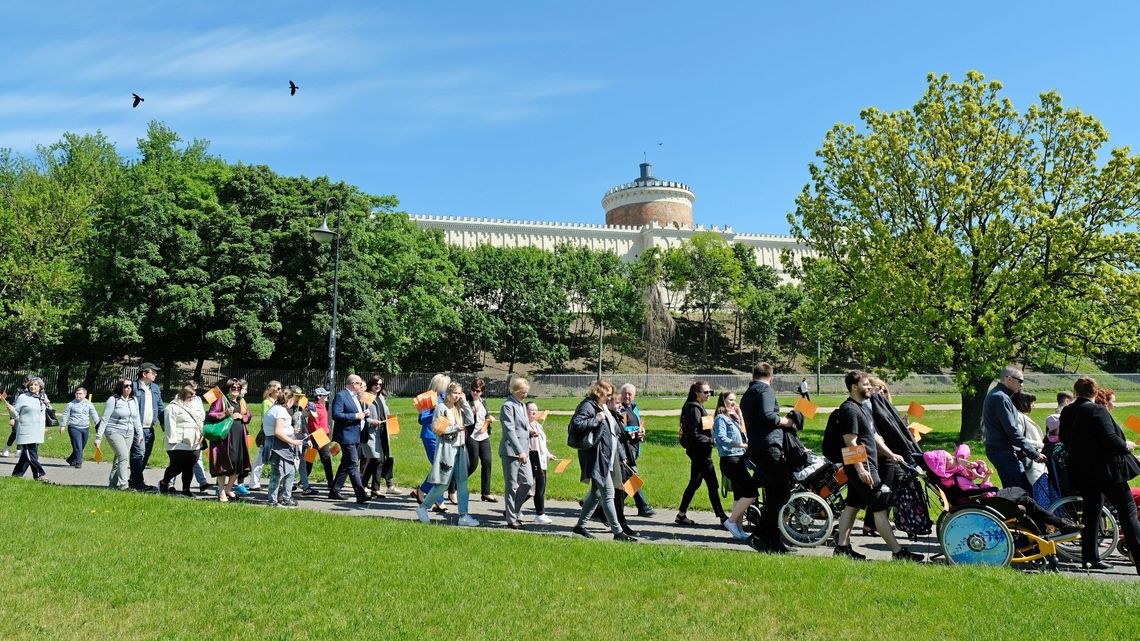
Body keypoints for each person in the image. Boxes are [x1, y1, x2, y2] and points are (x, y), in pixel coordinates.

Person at [822, 371, 923, 561]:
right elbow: (850, 442)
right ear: (854, 387)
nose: (870, 387)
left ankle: (842, 548)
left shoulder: (862, 408)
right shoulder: (849, 410)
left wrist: (891, 454)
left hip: (866, 465)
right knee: (880, 507)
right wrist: (860, 469)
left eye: (870, 384)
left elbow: (874, 437)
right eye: (866, 384)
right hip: (863, 466)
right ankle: (898, 552)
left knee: (852, 505)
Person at [1061, 378, 1140, 574]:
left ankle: (1090, 558)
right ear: (1095, 392)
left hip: (1082, 471)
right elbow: (1110, 438)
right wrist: (1127, 445)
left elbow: (1064, 438)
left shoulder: (1068, 411)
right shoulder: (1097, 410)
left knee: (1091, 512)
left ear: (1076, 391)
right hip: (1107, 472)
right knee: (1128, 512)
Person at [570, 380, 637, 541]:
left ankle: (580, 527)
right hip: (596, 457)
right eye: (607, 393)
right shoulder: (588, 406)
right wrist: (597, 419)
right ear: (599, 393)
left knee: (596, 494)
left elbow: (613, 434)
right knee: (608, 493)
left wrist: (622, 455)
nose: (610, 396)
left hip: (607, 456)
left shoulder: (603, 407)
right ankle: (618, 532)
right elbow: (577, 424)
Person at [740, 364, 792, 550]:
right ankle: (760, 533)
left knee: (772, 494)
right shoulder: (765, 390)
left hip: (756, 446)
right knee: (782, 492)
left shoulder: (748, 393)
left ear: (753, 375)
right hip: (769, 446)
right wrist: (786, 421)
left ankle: (773, 540)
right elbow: (768, 416)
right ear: (771, 377)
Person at [416, 382, 479, 526]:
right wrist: (454, 428)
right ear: (448, 393)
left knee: (463, 483)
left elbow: (470, 420)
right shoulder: (441, 408)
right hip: (447, 449)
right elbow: (436, 428)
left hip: (460, 449)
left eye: (459, 393)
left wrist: (464, 403)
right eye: (454, 393)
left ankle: (463, 515)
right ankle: (423, 507)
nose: (456, 396)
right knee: (443, 484)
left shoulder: (458, 407)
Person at [983, 365, 1043, 493]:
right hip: (1001, 452)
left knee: (1023, 491)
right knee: (1017, 493)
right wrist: (1033, 453)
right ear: (1008, 378)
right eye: (1020, 381)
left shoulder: (1002, 395)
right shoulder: (1000, 397)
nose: (1022, 385)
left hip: (1003, 450)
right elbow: (1012, 430)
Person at [676, 381, 728, 526]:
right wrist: (712, 441)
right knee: (712, 485)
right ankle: (723, 518)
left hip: (701, 452)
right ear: (696, 393)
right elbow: (694, 434)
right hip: (700, 454)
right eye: (705, 392)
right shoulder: (693, 409)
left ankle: (681, 514)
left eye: (710, 391)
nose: (709, 394)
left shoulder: (698, 407)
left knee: (695, 483)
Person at [713, 391, 755, 541]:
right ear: (722, 401)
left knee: (739, 495)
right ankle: (730, 522)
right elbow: (721, 439)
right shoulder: (720, 418)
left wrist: (741, 414)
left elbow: (744, 433)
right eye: (730, 400)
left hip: (739, 458)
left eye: (734, 400)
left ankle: (739, 529)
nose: (733, 402)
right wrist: (741, 445)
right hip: (730, 460)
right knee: (751, 492)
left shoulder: (733, 417)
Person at [206, 378, 252, 502]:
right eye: (233, 388)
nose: (236, 390)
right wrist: (225, 413)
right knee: (223, 464)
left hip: (239, 436)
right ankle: (221, 492)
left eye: (238, 388)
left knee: (238, 463)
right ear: (228, 388)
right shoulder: (221, 400)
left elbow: (249, 415)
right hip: (224, 438)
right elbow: (210, 414)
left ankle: (229, 488)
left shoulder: (241, 401)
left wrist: (241, 416)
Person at [1011, 391, 1058, 508]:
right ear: (1023, 403)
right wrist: (1039, 444)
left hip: (1034, 459)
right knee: (1039, 490)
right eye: (1031, 402)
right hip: (1032, 460)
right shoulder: (1018, 417)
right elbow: (1017, 440)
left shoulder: (1019, 415)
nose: (1033, 406)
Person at [329, 374, 371, 504]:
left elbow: (358, 414)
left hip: (355, 435)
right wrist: (355, 416)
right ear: (353, 384)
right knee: (353, 463)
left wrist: (364, 414)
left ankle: (334, 491)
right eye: (359, 383)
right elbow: (336, 415)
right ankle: (360, 494)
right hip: (346, 436)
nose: (361, 386)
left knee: (346, 464)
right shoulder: (341, 396)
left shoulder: (355, 397)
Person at [412, 374, 452, 510]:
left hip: (443, 435)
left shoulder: (445, 397)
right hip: (430, 436)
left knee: (441, 468)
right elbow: (421, 419)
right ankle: (431, 496)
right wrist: (435, 411)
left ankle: (432, 496)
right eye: (445, 386)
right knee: (440, 467)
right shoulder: (427, 397)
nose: (447, 389)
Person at [95, 379, 143, 490]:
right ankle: (124, 485)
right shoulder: (113, 400)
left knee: (119, 459)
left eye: (130, 386)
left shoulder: (133, 400)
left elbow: (136, 418)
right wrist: (99, 437)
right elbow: (105, 419)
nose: (129, 388)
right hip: (114, 431)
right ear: (120, 387)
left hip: (129, 432)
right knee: (124, 457)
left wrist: (140, 433)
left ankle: (112, 485)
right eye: (126, 386)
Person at [159, 382, 205, 497]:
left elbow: (200, 420)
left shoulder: (195, 405)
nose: (192, 398)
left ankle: (186, 490)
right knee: (177, 466)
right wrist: (173, 442)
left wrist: (202, 434)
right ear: (183, 395)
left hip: (195, 441)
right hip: (178, 442)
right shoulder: (172, 407)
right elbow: (170, 426)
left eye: (193, 396)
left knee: (189, 466)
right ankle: (164, 482)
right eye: (189, 396)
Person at [499, 377, 534, 529]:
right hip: (511, 452)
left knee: (527, 483)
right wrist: (519, 451)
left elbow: (522, 427)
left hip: (524, 451)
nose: (525, 395)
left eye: (526, 392)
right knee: (512, 485)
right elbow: (510, 431)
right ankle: (511, 519)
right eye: (522, 392)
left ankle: (512, 511)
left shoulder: (521, 405)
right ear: (514, 390)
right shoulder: (508, 406)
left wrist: (530, 432)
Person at [616, 383, 653, 516]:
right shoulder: (619, 409)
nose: (627, 396)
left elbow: (637, 425)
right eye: (625, 393)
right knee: (632, 477)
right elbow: (618, 429)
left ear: (634, 395)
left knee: (626, 480)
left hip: (634, 448)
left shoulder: (634, 408)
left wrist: (641, 432)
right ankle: (642, 506)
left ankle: (596, 506)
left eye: (630, 394)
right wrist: (634, 431)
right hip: (624, 449)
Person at [264, 387, 303, 508]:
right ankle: (273, 501)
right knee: (277, 473)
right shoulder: (280, 411)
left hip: (278, 444)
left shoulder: (274, 408)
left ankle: (286, 497)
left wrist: (291, 429)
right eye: (294, 399)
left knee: (290, 471)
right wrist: (293, 441)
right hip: (278, 446)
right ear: (289, 399)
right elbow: (278, 432)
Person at [129, 363, 164, 492]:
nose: (155, 374)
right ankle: (138, 482)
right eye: (153, 372)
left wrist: (164, 423)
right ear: (144, 374)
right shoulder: (133, 387)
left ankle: (134, 480)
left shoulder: (154, 387)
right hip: (137, 428)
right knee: (138, 454)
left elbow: (160, 406)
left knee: (145, 455)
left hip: (150, 428)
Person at [361, 375, 396, 497]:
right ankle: (365, 485)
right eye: (376, 384)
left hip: (382, 432)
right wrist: (371, 421)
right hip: (371, 433)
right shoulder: (366, 397)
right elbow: (362, 416)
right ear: (371, 384)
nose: (378, 386)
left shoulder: (380, 397)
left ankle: (372, 487)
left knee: (380, 459)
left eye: (380, 385)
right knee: (376, 459)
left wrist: (391, 421)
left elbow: (386, 412)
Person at [464, 378, 497, 502]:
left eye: (477, 391)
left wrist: (489, 418)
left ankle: (486, 493)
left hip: (483, 435)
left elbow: (485, 414)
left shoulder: (483, 401)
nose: (475, 393)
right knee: (473, 464)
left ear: (482, 391)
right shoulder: (466, 401)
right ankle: (454, 483)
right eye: (473, 390)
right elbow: (463, 418)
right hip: (471, 435)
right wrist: (471, 413)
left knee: (487, 462)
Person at [526, 401, 558, 524]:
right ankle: (540, 514)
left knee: (536, 488)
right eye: (531, 410)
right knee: (535, 488)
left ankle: (512, 509)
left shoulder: (538, 426)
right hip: (533, 460)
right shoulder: (526, 426)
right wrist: (529, 434)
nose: (534, 412)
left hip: (542, 461)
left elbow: (542, 445)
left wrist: (549, 454)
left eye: (536, 410)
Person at [10, 377, 49, 479]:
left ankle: (17, 475)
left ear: (40, 387)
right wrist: (11, 411)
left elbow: (45, 413)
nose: (33, 387)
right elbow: (16, 413)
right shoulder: (23, 397)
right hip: (26, 430)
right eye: (31, 385)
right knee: (31, 454)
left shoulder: (42, 397)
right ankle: (39, 474)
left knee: (26, 455)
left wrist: (48, 404)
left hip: (37, 430)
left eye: (35, 385)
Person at [299, 387, 335, 496]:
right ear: (319, 396)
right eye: (324, 395)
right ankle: (303, 481)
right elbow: (314, 425)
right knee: (312, 460)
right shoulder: (314, 407)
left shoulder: (323, 405)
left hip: (322, 436)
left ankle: (330, 481)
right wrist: (318, 439)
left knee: (325, 460)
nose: (327, 396)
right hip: (317, 437)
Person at [249, 380, 282, 492]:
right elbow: (267, 417)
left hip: (276, 434)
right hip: (267, 434)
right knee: (261, 459)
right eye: (278, 389)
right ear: (271, 389)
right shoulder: (266, 402)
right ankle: (254, 483)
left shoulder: (278, 401)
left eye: (280, 389)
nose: (280, 391)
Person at [60, 387, 100, 469]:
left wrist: (98, 425)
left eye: (80, 394)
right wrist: (63, 425)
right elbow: (65, 415)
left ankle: (71, 459)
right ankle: (78, 462)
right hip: (74, 427)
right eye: (77, 393)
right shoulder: (71, 404)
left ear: (85, 395)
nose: (78, 395)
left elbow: (94, 414)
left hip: (85, 428)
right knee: (78, 445)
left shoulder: (89, 404)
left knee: (82, 446)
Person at [1, 388, 15, 458]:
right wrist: (12, 418)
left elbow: (3, 395)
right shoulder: (18, 391)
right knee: (15, 432)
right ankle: (6, 448)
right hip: (15, 414)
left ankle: (19, 450)